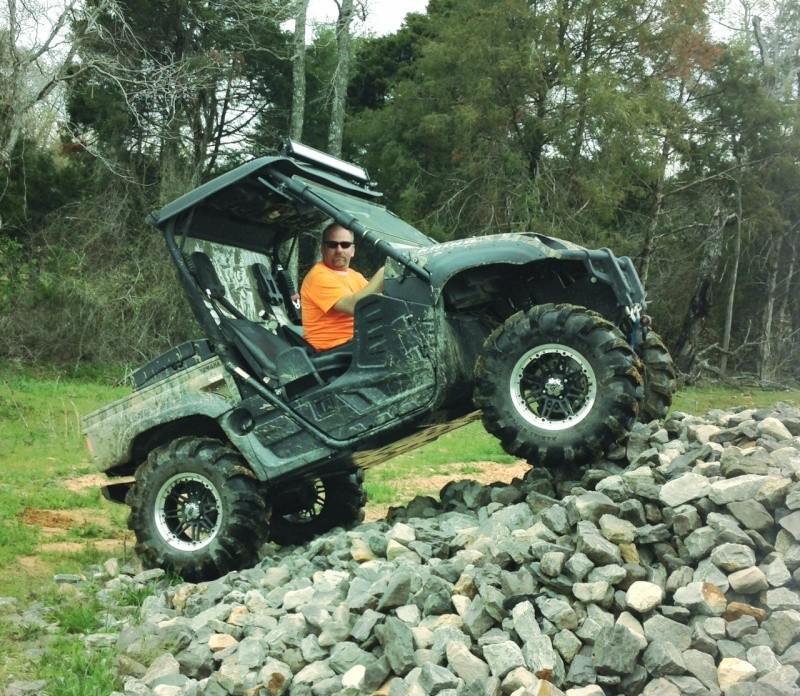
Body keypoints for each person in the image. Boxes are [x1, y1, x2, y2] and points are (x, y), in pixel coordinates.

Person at [300, 222, 385, 351]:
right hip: (333, 352)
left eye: (345, 245)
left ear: (353, 250)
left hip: (356, 344)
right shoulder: (318, 276)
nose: (339, 250)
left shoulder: (355, 276)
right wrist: (384, 273)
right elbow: (354, 306)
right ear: (323, 249)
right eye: (332, 245)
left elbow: (376, 301)